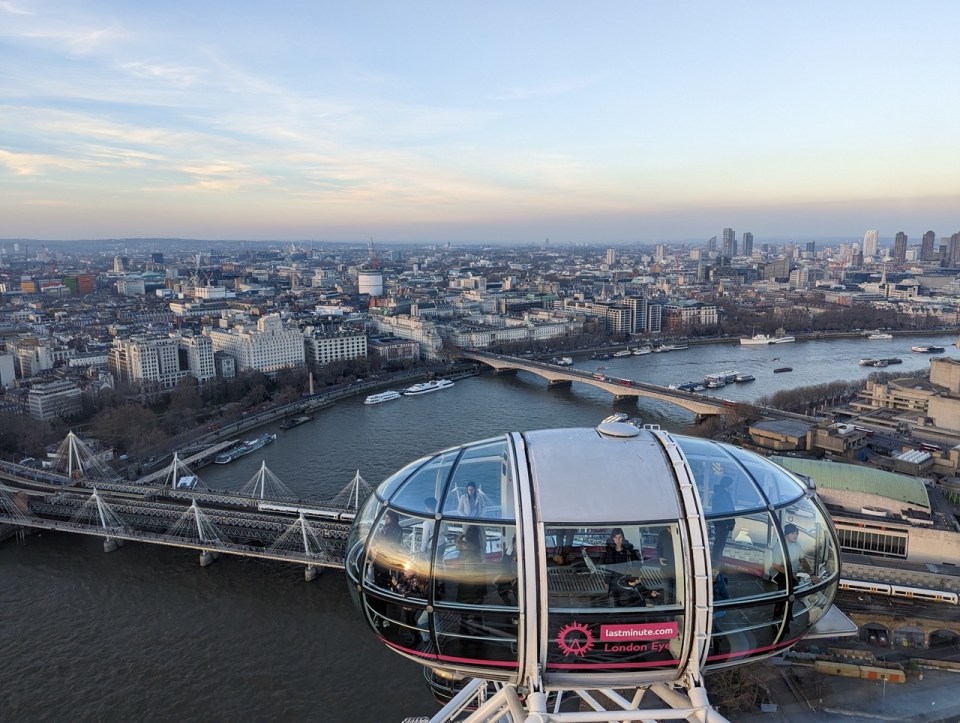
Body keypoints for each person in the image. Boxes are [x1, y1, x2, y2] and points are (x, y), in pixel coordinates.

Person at [710, 477, 736, 566]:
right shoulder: (720, 495)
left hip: (724, 523)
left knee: (721, 542)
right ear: (726, 485)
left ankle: (717, 559)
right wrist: (725, 524)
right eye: (730, 485)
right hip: (722, 524)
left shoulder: (724, 494)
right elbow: (719, 510)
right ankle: (715, 561)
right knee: (719, 542)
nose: (731, 487)